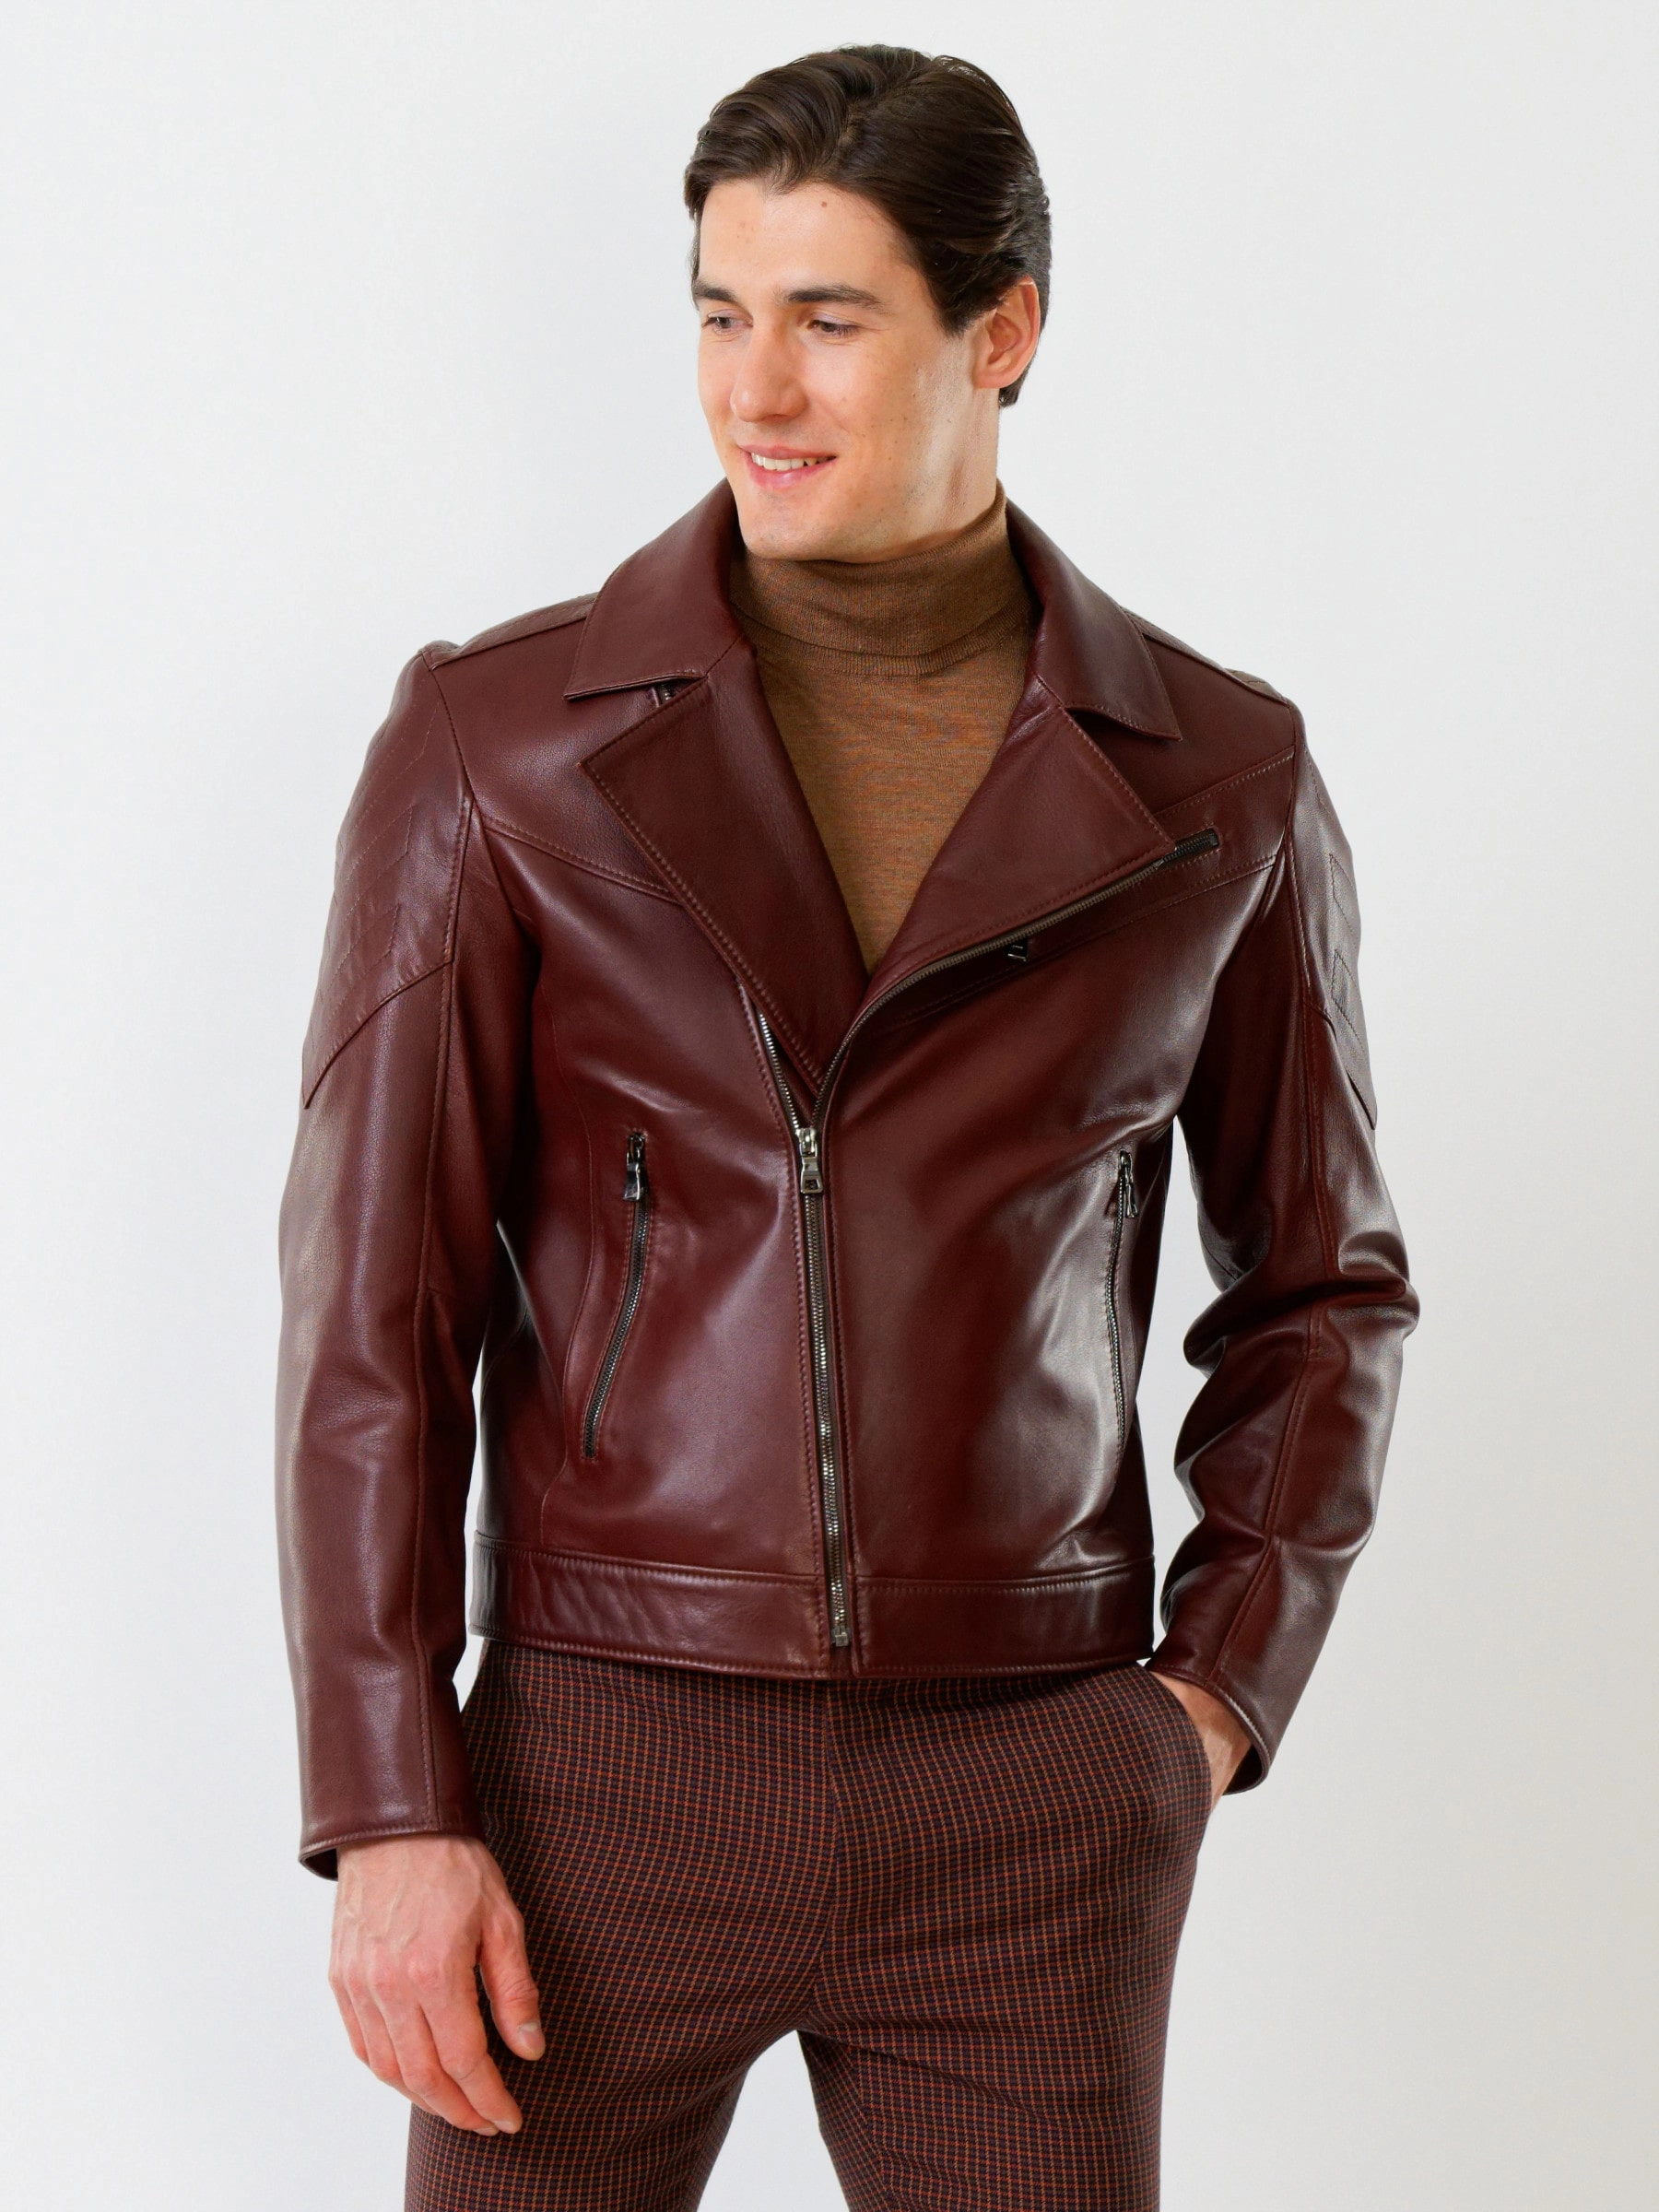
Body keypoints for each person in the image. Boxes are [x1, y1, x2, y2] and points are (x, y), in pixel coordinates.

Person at [276, 43, 1417, 2211]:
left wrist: (1204, 1706)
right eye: (721, 313)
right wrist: (389, 1802)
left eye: (828, 318)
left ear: (1003, 330)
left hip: (1031, 1785)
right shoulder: (500, 746)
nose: (755, 388)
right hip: (603, 1770)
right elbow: (371, 1317)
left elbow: (1325, 1289)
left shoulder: (1221, 779)